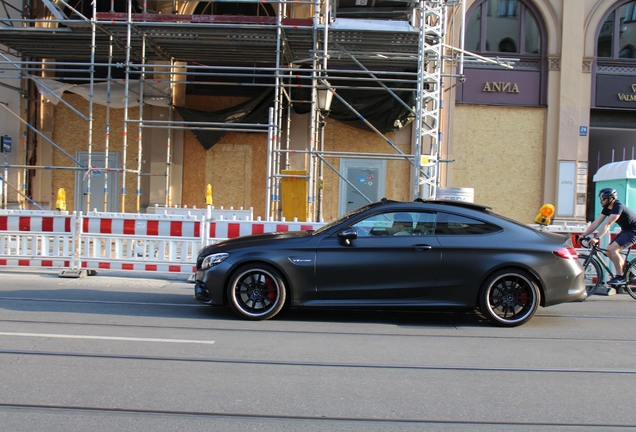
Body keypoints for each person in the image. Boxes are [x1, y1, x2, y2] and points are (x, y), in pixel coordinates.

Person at [578, 187, 636, 285]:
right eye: (600, 198)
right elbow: (596, 222)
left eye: (603, 198)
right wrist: (584, 235)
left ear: (611, 199)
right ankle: (628, 274)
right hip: (626, 230)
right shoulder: (607, 208)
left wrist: (597, 238)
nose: (601, 200)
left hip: (633, 231)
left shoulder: (618, 206)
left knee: (613, 249)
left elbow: (608, 224)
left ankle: (620, 277)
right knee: (609, 250)